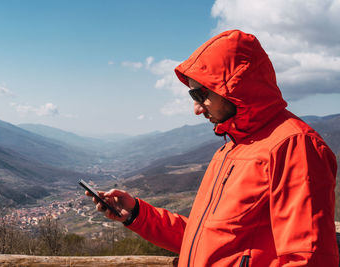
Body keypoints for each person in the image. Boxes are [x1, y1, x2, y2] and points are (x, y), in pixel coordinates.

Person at [85, 30, 339, 266]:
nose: (196, 109)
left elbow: (308, 257)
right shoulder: (229, 151)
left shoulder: (293, 145)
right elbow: (204, 238)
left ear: (234, 86)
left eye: (199, 95)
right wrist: (137, 214)